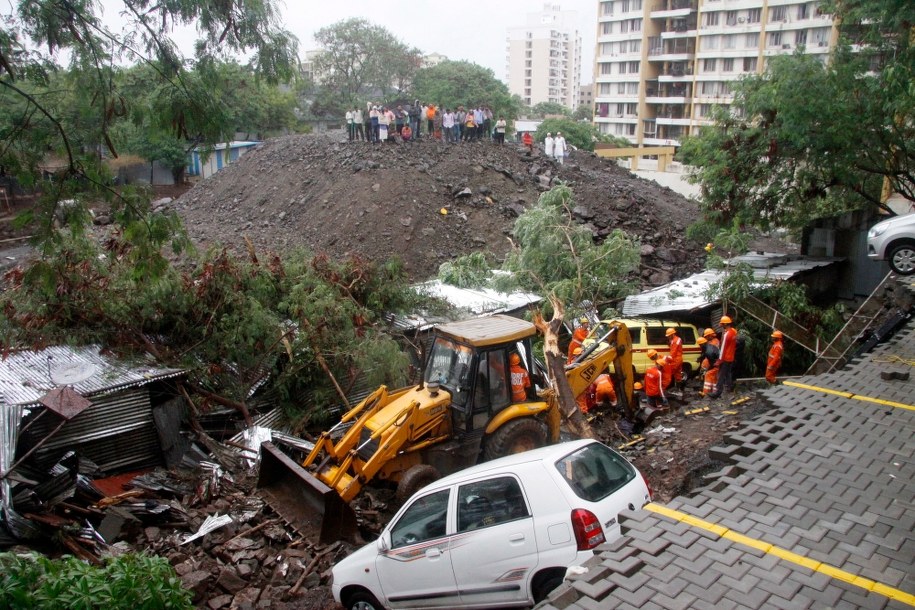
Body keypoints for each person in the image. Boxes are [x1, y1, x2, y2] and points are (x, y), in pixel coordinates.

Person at [709, 315, 738, 398]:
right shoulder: (733, 332)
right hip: (731, 357)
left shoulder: (727, 335)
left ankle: (717, 392)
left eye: (722, 324)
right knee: (728, 373)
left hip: (725, 358)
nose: (721, 325)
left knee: (720, 375)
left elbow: (723, 348)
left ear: (725, 324)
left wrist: (719, 360)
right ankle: (729, 388)